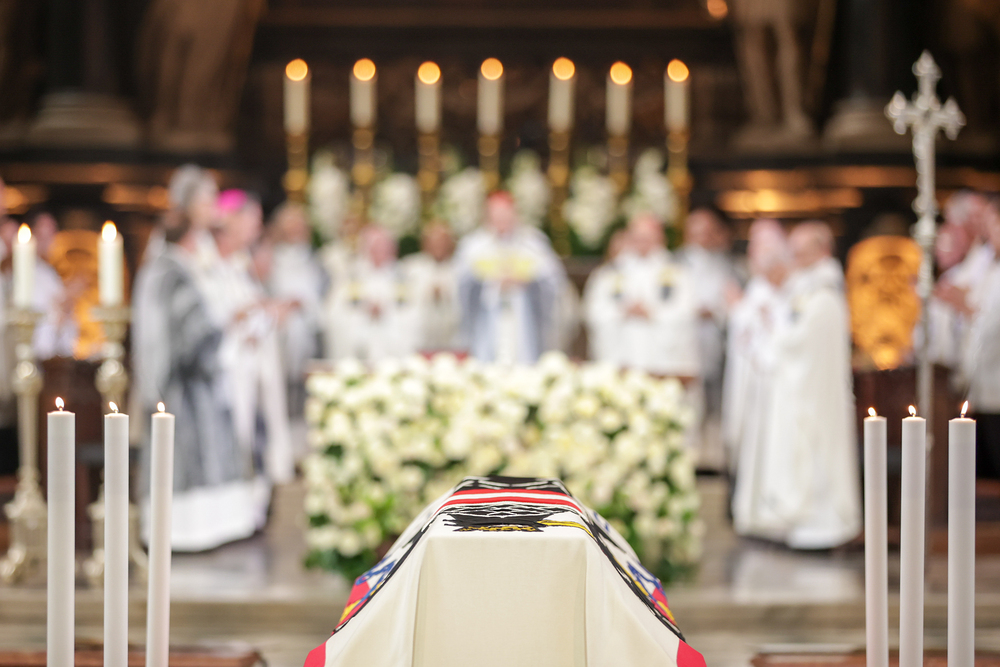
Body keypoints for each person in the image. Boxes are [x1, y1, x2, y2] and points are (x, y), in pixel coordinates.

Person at [133, 208, 251, 551]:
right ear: (189, 237)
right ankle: (188, 533)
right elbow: (194, 338)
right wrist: (225, 329)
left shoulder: (155, 270)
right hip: (186, 388)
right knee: (187, 459)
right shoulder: (175, 273)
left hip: (166, 384)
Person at [753, 221, 861, 548]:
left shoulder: (825, 295)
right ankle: (801, 521)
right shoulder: (806, 290)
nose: (796, 257)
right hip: (801, 389)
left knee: (817, 447)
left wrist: (772, 330)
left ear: (822, 250)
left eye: (802, 251)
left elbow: (799, 344)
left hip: (816, 393)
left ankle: (825, 525)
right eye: (794, 251)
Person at [212, 190, 294, 490]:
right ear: (231, 219)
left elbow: (248, 311)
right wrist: (261, 313)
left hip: (251, 372)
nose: (257, 229)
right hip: (227, 374)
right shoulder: (212, 261)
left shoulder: (238, 262)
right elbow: (222, 318)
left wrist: (266, 312)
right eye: (253, 220)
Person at [724, 220, 794, 536]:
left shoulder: (787, 291)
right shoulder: (756, 287)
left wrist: (741, 311)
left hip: (772, 385)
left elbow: (778, 334)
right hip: (750, 381)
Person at [583, 213, 700, 377]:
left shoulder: (678, 272)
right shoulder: (610, 272)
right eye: (638, 237)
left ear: (660, 238)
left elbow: (687, 311)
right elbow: (593, 311)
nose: (642, 242)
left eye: (647, 237)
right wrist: (623, 311)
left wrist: (653, 313)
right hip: (622, 357)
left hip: (663, 361)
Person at [455, 191, 565, 364]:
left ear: (515, 214)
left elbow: (552, 279)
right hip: (487, 316)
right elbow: (461, 283)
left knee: (524, 358)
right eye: (496, 214)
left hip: (524, 315)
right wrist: (490, 281)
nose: (501, 220)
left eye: (505, 214)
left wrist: (527, 281)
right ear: (487, 215)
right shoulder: (473, 244)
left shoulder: (533, 242)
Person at [677, 207, 741, 468]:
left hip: (715, 341)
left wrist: (716, 311)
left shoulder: (726, 265)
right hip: (684, 342)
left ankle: (712, 462)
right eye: (697, 231)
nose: (703, 236)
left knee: (715, 403)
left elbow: (735, 301)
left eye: (708, 231)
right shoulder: (674, 264)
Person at [267, 202, 325, 451]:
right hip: (279, 330)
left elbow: (324, 294)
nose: (295, 230)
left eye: (299, 225)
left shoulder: (315, 259)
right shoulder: (272, 256)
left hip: (310, 331)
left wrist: (305, 304)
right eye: (290, 226)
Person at [326, 225, 419, 361]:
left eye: (385, 248)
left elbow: (414, 315)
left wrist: (387, 312)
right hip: (360, 344)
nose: (380, 253)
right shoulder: (352, 277)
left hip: (392, 344)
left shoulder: (403, 277)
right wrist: (363, 313)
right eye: (375, 248)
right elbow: (335, 313)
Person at [962, 199, 1000, 478]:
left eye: (993, 223)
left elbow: (990, 324)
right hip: (984, 387)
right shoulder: (990, 268)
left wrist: (965, 307)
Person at [402, 221, 461, 352]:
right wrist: (428, 293)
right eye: (434, 242)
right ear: (425, 244)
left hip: (452, 340)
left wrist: (445, 294)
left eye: (442, 242)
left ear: (450, 244)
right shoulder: (411, 268)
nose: (438, 246)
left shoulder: (460, 269)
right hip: (418, 338)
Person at [27, 210, 78, 359]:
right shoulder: (21, 271)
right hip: (34, 353)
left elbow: (62, 315)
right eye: (43, 232)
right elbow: (33, 313)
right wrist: (61, 302)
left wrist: (66, 302)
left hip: (53, 357)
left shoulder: (49, 273)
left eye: (53, 231)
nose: (50, 238)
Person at [583, 229, 629, 362]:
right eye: (616, 247)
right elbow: (591, 310)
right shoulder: (601, 276)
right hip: (610, 343)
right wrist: (622, 312)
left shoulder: (641, 274)